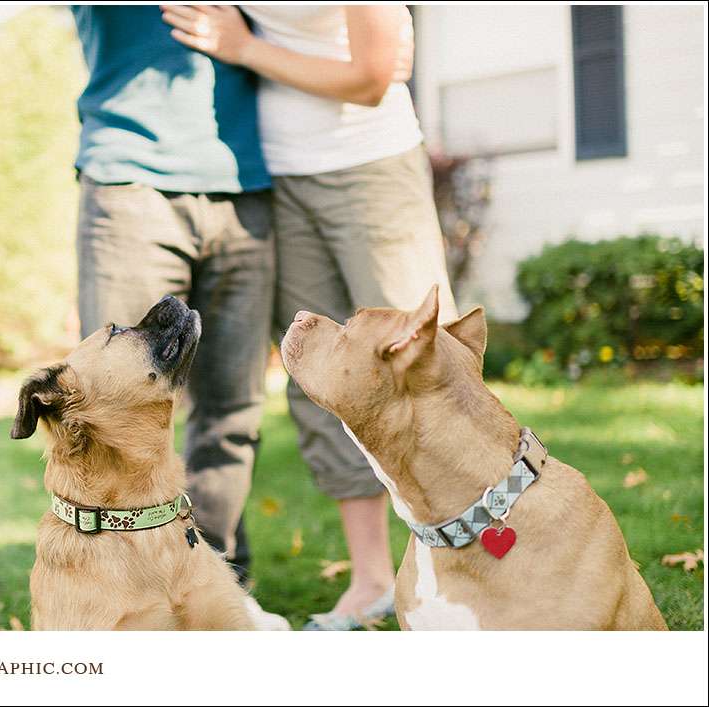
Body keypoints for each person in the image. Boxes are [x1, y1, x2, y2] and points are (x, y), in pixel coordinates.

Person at [163, 4, 458, 630]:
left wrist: (242, 47)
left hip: (370, 164)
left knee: (424, 364)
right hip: (282, 177)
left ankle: (466, 565)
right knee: (323, 381)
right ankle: (374, 577)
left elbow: (372, 76)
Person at [71, 5, 288, 629]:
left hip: (242, 184)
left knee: (232, 411)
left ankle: (216, 589)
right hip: (130, 182)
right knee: (115, 411)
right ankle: (117, 597)